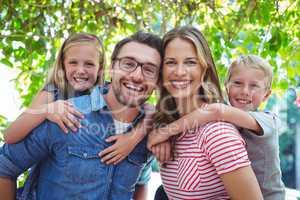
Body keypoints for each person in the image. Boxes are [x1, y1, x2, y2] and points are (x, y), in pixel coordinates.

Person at [0, 31, 163, 200]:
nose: (137, 76)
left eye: (149, 69)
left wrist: (139, 133)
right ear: (112, 67)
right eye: (128, 64)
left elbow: (141, 182)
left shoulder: (149, 131)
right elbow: (5, 166)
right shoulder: (64, 113)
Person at [149, 54, 285, 199]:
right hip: (233, 191)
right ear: (227, 86)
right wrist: (166, 138)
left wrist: (166, 132)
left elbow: (215, 111)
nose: (245, 91)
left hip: (268, 196)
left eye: (254, 86)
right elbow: (200, 115)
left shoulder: (268, 121)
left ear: (266, 95)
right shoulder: (228, 117)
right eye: (238, 83)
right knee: (162, 192)